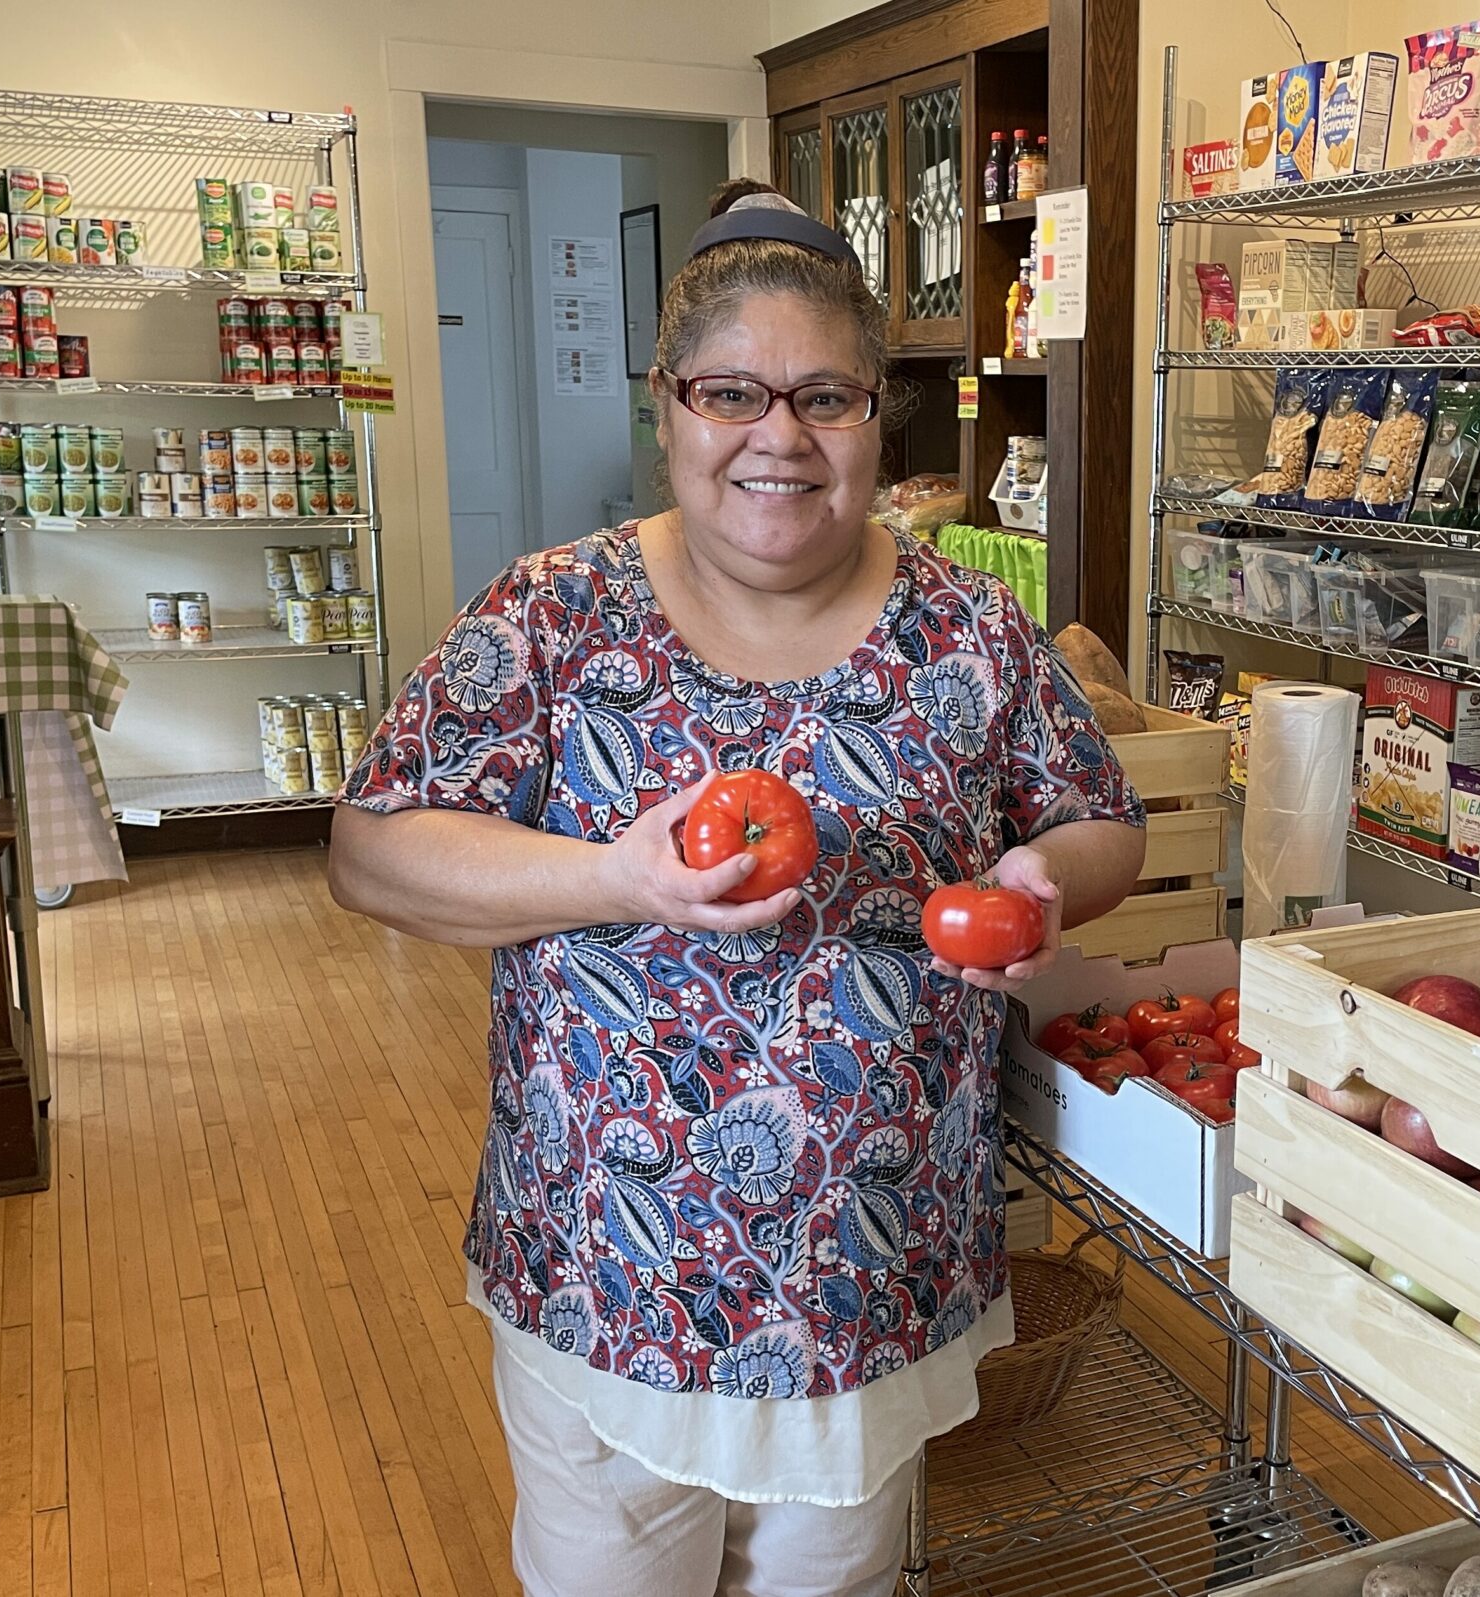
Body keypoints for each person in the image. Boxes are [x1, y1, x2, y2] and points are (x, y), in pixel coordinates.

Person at [326, 179, 1146, 1597]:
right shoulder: (551, 614)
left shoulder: (971, 628)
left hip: (876, 1271)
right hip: (612, 1275)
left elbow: (1103, 822)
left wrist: (1044, 877)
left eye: (826, 397)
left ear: (876, 416)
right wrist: (614, 876)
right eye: (733, 393)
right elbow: (372, 846)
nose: (780, 434)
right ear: (668, 406)